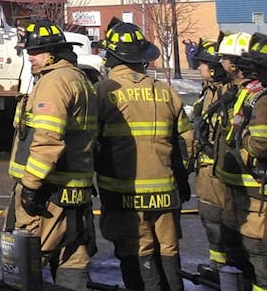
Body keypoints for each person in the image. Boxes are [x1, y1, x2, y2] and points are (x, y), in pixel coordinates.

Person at [94, 19, 193, 291]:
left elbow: (89, 142)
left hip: (123, 193)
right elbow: (187, 140)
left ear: (111, 57)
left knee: (137, 251)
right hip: (166, 190)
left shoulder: (104, 92)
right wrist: (180, 177)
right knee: (169, 250)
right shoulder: (165, 91)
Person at [5, 20, 98, 291]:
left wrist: (31, 186)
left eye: (35, 52)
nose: (29, 57)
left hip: (49, 195)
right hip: (75, 195)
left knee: (24, 266)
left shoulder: (53, 82)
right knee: (73, 259)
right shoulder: (77, 78)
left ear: (53, 54)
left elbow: (47, 140)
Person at [213, 31, 267, 287]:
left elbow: (259, 143)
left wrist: (242, 139)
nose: (221, 63)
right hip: (237, 186)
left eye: (225, 58)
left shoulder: (260, 96)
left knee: (257, 252)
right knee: (238, 248)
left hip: (255, 189)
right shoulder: (244, 92)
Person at [186, 35, 233, 275]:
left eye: (203, 64)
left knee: (217, 218)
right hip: (206, 171)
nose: (199, 67)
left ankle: (225, 268)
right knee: (210, 217)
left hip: (217, 171)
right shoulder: (209, 93)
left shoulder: (227, 95)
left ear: (214, 69)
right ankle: (219, 265)